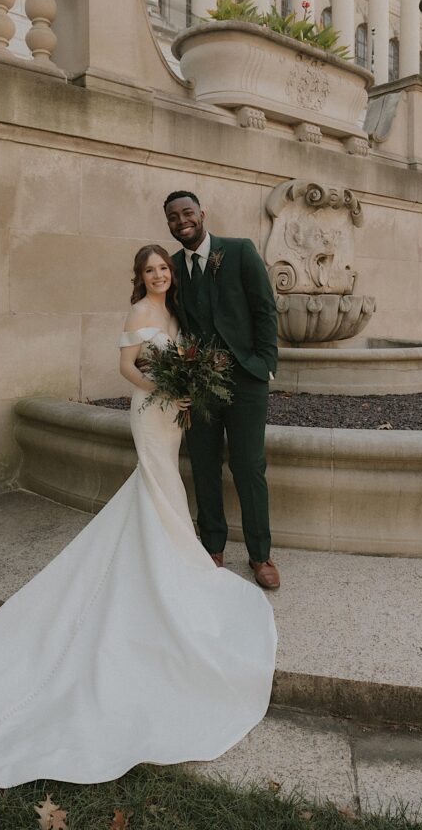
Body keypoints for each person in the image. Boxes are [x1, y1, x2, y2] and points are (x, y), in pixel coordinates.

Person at [0, 244, 277, 789]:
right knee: (159, 485)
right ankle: (170, 565)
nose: (160, 275)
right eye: (150, 270)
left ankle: (170, 557)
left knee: (165, 487)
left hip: (173, 415)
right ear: (139, 277)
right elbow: (124, 366)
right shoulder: (141, 313)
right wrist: (165, 387)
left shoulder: (175, 311)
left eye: (164, 268)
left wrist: (185, 393)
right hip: (151, 411)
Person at [163, 192, 280, 589]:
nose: (182, 221)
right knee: (204, 464)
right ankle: (211, 547)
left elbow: (265, 309)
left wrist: (265, 365)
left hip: (246, 379)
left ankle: (260, 555)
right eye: (173, 217)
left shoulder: (239, 251)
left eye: (188, 213)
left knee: (249, 466)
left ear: (202, 215)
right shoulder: (173, 268)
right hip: (198, 384)